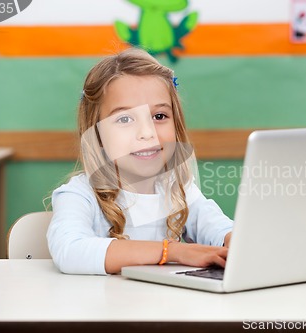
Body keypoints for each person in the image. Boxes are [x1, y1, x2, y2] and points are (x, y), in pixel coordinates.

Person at [47, 48, 233, 275]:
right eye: (125, 119)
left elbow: (220, 229)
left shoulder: (178, 189)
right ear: (96, 134)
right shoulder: (78, 195)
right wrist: (171, 251)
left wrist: (235, 241)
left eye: (159, 116)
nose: (147, 133)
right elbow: (70, 251)